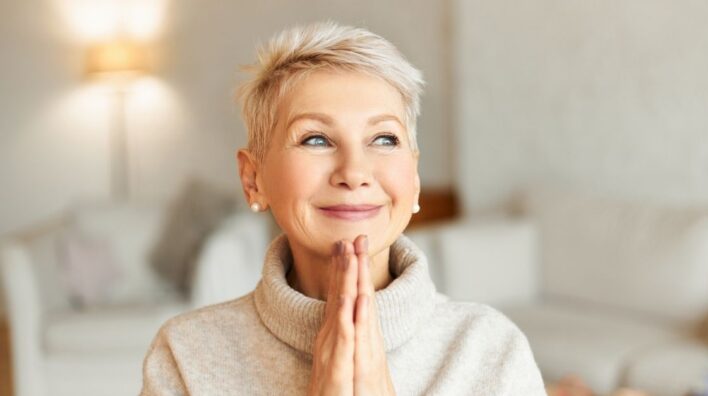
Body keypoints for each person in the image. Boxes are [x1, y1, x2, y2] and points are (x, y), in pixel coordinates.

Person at [140, 21, 546, 395]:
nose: (354, 172)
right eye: (316, 139)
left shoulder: (491, 351)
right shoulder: (186, 357)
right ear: (253, 179)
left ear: (415, 177)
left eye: (384, 139)